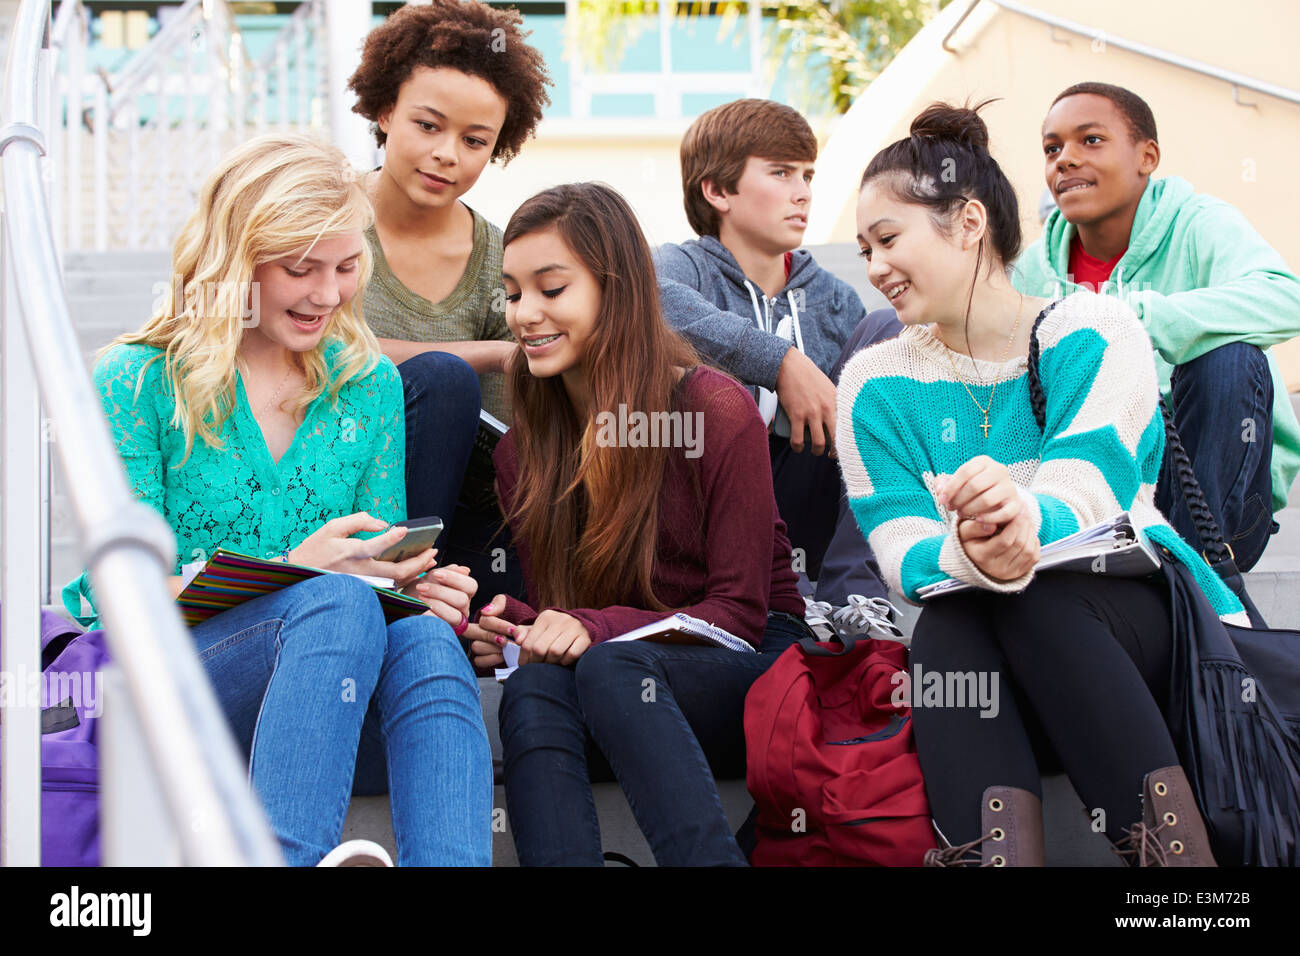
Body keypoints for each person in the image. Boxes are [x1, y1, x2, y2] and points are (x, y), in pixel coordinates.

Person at [62, 134, 492, 867]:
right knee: (335, 600)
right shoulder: (136, 380)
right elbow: (120, 595)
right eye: (300, 269)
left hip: (328, 683)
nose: (328, 294)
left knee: (419, 634)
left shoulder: (367, 385)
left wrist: (416, 584)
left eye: (347, 267)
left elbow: (374, 567)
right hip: (162, 686)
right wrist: (293, 569)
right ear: (239, 264)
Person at [837, 102, 1246, 866]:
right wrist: (971, 553)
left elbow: (1091, 489)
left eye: (888, 239)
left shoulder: (1090, 329)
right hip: (994, 634)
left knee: (1040, 595)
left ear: (966, 223)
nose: (874, 267)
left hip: (1135, 617)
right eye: (862, 249)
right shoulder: (872, 383)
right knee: (950, 631)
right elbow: (902, 554)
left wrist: (1018, 521)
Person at [449, 182, 810, 865]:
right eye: (514, 292)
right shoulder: (521, 451)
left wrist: (592, 629)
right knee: (534, 682)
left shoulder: (712, 410)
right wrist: (526, 628)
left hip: (752, 666)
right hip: (620, 671)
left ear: (616, 291)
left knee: (614, 668)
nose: (525, 314)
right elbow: (578, 611)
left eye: (552, 289)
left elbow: (738, 613)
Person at [1014, 82, 1300, 572]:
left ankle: (1190, 580)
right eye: (1052, 148)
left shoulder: (1198, 223)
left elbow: (1285, 296)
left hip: (1217, 507)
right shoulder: (1035, 269)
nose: (1065, 159)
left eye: (1091, 140)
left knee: (1229, 357)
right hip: (1098, 497)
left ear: (1147, 156)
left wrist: (1141, 318)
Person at [653, 98, 902, 639]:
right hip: (708, 503)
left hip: (806, 487)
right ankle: (781, 599)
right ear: (717, 191)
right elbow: (648, 303)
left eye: (808, 175)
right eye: (781, 172)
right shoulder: (680, 267)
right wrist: (780, 360)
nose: (803, 192)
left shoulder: (834, 298)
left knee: (887, 332)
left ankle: (851, 594)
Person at [347, 0, 553, 605]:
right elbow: (325, 350)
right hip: (336, 487)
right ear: (385, 111)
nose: (447, 155)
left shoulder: (500, 255)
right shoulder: (327, 223)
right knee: (443, 378)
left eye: (474, 140)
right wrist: (491, 353)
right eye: (428, 126)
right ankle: (402, 590)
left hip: (469, 515)